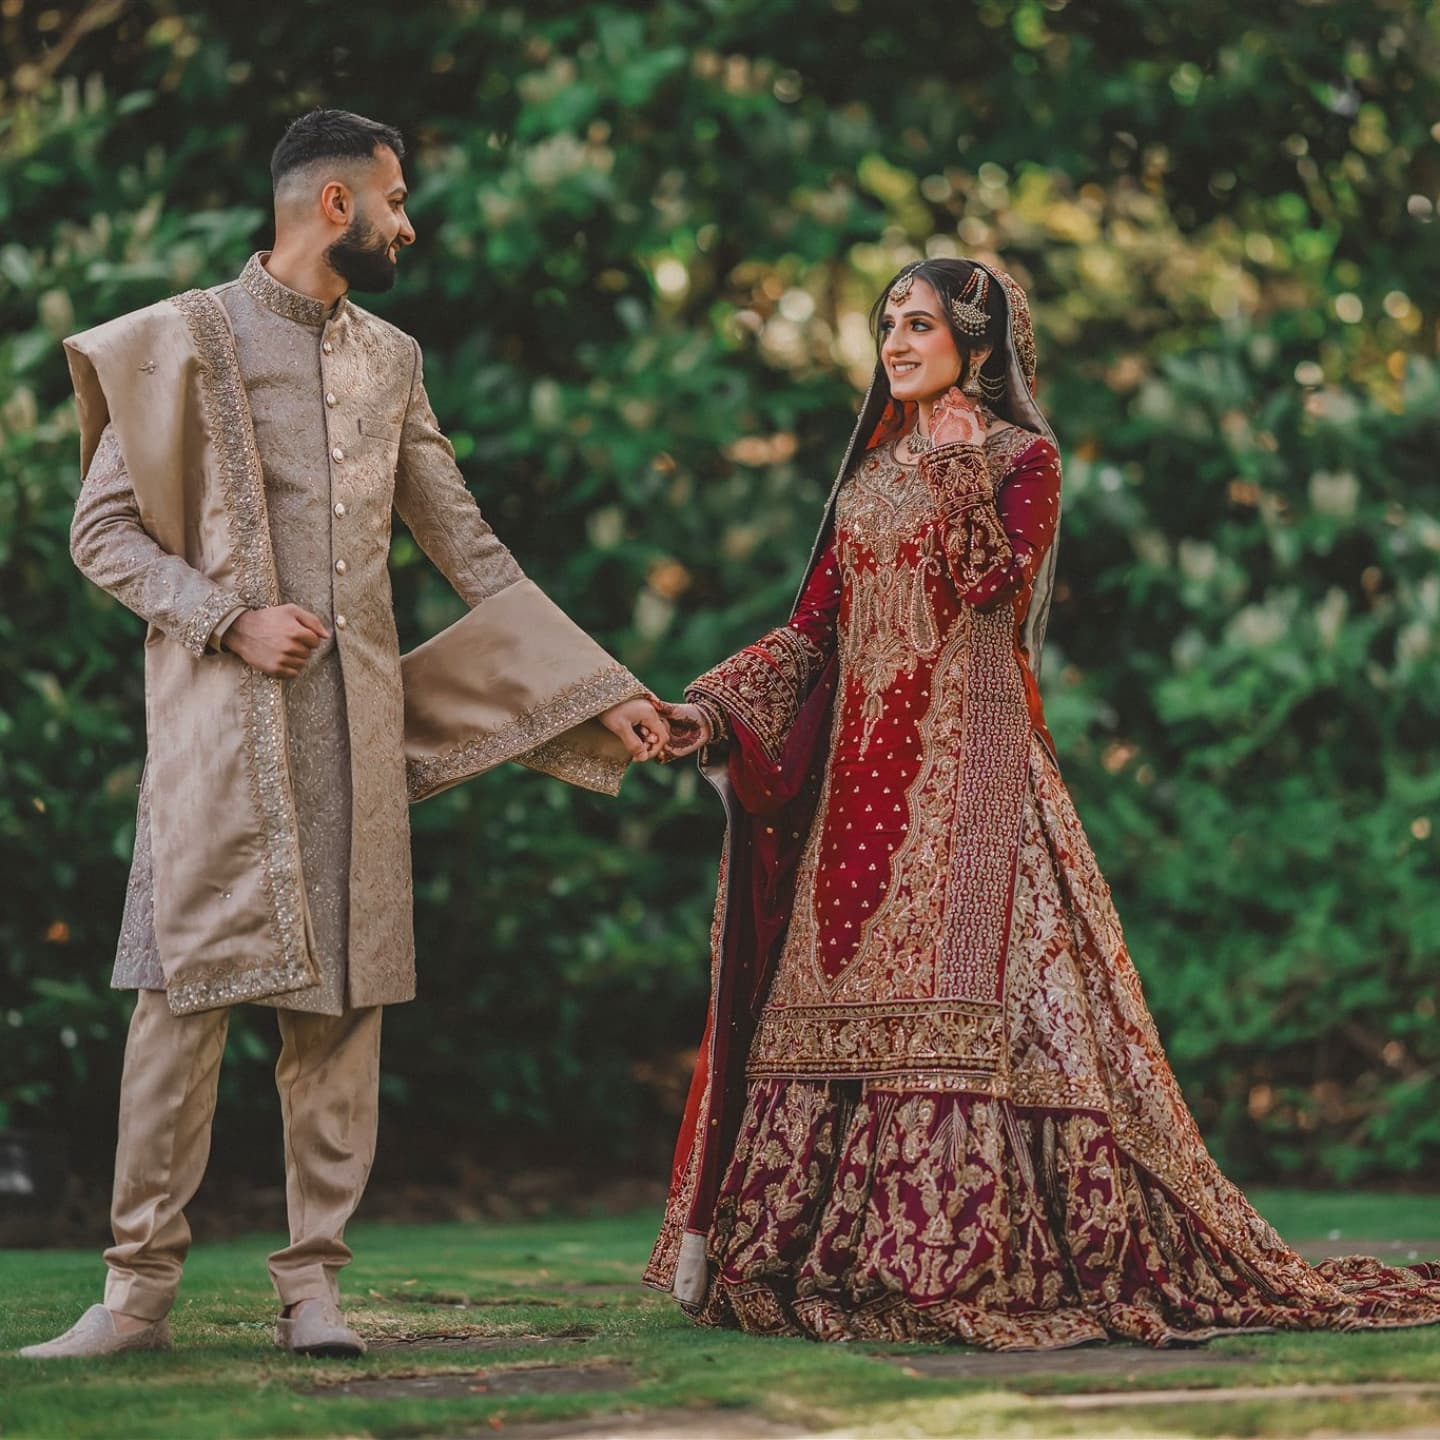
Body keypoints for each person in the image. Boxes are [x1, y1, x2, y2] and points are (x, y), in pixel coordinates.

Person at [645, 257, 1440, 1347]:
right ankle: (805, 1248)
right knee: (824, 999)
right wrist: (707, 716)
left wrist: (965, 465)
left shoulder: (1025, 460)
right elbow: (808, 634)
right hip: (860, 787)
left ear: (976, 346)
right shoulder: (863, 483)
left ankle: (959, 1255)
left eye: (920, 323)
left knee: (995, 1007)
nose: (896, 341)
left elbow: (991, 584)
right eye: (888, 323)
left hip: (973, 779)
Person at [21, 109, 668, 1361]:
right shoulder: (180, 343)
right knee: (179, 1006)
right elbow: (100, 536)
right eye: (397, 200)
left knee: (342, 1019)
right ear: (334, 205)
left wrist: (606, 690)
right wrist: (228, 620)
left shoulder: (395, 361)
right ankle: (134, 1299)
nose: (407, 223)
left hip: (356, 744)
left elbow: (468, 542)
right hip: (216, 736)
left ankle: (313, 1291)